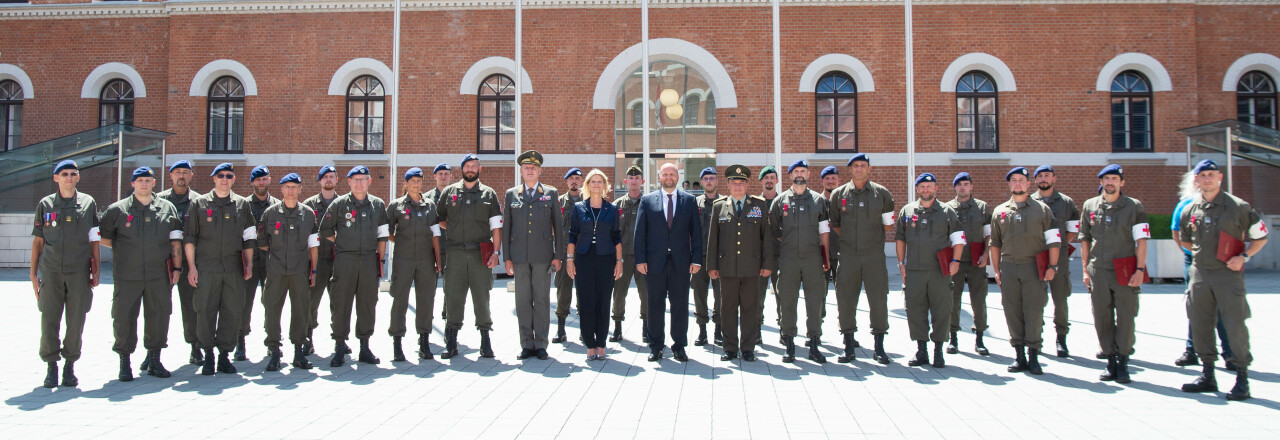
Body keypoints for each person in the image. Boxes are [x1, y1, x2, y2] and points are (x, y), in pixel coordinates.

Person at [1179, 160, 1268, 401]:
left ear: (1220, 177)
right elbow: (1185, 241)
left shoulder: (1238, 206)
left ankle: (1242, 378)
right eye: (1202, 175)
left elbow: (1260, 236)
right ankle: (1207, 374)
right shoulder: (1191, 209)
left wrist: (1244, 257)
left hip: (1228, 275)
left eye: (1211, 175)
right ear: (1196, 180)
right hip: (1200, 274)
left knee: (1234, 325)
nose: (1207, 179)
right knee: (1199, 322)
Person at [101, 166, 183, 381]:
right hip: (128, 275)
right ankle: (124, 362)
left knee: (159, 316)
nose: (144, 184)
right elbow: (104, 237)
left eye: (148, 180)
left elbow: (175, 241)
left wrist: (176, 268)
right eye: (140, 180)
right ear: (132, 184)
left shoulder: (167, 208)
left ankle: (154, 359)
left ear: (154, 183)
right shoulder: (117, 210)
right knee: (123, 318)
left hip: (159, 275)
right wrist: (125, 250)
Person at [31, 160, 101, 388]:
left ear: (78, 177)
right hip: (51, 272)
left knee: (76, 320)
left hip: (79, 272)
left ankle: (70, 365)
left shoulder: (88, 203)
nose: (69, 177)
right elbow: (38, 241)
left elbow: (94, 240)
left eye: (73, 173)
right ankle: (51, 366)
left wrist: (97, 271)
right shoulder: (45, 204)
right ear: (56, 178)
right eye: (64, 174)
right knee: (49, 319)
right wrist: (33, 274)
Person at [1078, 164, 1148, 384]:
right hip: (1098, 270)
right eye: (1106, 179)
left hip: (1125, 269)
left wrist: (1140, 269)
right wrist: (1085, 270)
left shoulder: (1134, 207)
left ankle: (1124, 361)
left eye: (1114, 179)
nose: (1110, 182)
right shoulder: (1090, 205)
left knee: (1126, 316)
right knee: (1102, 316)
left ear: (1122, 183)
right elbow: (1085, 240)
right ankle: (1110, 360)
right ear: (1101, 182)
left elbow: (1142, 241)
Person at [184, 162, 256, 375]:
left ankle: (224, 355)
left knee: (232, 311)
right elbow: (190, 238)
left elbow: (249, 238)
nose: (225, 179)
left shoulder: (242, 205)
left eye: (229, 176)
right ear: (213, 179)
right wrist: (191, 268)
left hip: (233, 268)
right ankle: (208, 355)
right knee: (205, 311)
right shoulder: (199, 204)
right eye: (221, 176)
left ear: (234, 180)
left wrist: (249, 264)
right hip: (206, 268)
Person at [989, 166, 1061, 375]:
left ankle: (1034, 355)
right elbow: (995, 243)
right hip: (1009, 267)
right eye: (1014, 180)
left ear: (1029, 184)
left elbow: (1054, 240)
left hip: (1033, 267)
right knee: (1012, 310)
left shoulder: (1042, 209)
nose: (1018, 183)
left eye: (1022, 180)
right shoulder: (1000, 211)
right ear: (1009, 185)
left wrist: (1053, 266)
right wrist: (997, 271)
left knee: (1034, 311)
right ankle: (1019, 355)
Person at [317, 165, 389, 367]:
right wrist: (343, 244)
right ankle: (339, 347)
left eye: (363, 179)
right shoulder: (339, 204)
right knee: (341, 304)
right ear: (348, 182)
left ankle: (365, 346)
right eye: (355, 179)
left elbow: (382, 236)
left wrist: (380, 261)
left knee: (367, 304)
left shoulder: (378, 205)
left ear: (369, 182)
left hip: (368, 260)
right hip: (345, 260)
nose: (359, 183)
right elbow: (326, 231)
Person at [827, 153, 895, 364]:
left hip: (874, 255)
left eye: (862, 165)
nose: (859, 169)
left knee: (878, 300)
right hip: (847, 255)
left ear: (869, 168)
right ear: (850, 169)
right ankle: (848, 346)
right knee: (846, 299)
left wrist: (869, 240)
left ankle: (879, 347)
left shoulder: (881, 194)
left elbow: (888, 224)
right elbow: (835, 224)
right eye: (855, 166)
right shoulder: (839, 195)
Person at [436, 154, 503, 359]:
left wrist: (496, 253)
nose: (470, 169)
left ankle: (485, 340)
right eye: (467, 166)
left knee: (481, 297)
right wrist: (458, 231)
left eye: (474, 166)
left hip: (479, 253)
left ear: (480, 169)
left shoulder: (488, 194)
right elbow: (441, 220)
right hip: (455, 252)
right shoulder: (449, 192)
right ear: (462, 169)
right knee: (453, 296)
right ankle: (451, 341)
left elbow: (496, 227)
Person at [635, 162, 703, 362]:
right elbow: (640, 233)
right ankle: (655, 346)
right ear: (659, 177)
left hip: (681, 263)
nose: (669, 177)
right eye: (665, 174)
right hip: (654, 263)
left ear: (678, 176)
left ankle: (679, 346)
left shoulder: (689, 201)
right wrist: (640, 259)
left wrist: (696, 260)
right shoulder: (647, 201)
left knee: (680, 305)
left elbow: (696, 234)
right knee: (654, 305)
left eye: (672, 174)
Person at [706, 165, 775, 362]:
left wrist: (767, 264)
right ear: (728, 185)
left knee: (750, 309)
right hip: (726, 268)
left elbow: (766, 238)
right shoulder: (719, 206)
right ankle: (729, 348)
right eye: (734, 183)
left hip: (752, 267)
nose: (737, 186)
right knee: (727, 309)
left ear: (747, 184)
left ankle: (747, 348)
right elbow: (713, 239)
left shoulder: (758, 205)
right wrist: (712, 265)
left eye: (741, 183)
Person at [895, 173, 965, 368]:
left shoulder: (947, 211)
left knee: (941, 310)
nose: (926, 190)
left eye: (929, 186)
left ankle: (938, 351)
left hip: (939, 271)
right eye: (922, 187)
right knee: (915, 311)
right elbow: (900, 239)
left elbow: (958, 238)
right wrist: (901, 263)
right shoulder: (908, 211)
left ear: (936, 189)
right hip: (914, 270)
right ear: (917, 189)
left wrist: (956, 261)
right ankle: (921, 351)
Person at [769, 160, 831, 364]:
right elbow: (775, 230)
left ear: (808, 174)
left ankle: (814, 343)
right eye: (796, 171)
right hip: (788, 259)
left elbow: (824, 231)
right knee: (787, 300)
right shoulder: (779, 201)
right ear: (789, 175)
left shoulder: (819, 201)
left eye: (803, 171)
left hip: (813, 258)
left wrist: (825, 257)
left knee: (815, 300)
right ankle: (789, 344)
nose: (799, 174)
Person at [255, 173, 319, 371]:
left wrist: (314, 271)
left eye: (295, 187)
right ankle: (274, 351)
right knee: (272, 310)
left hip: (300, 271)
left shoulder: (308, 214)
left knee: (301, 310)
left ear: (301, 189)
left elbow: (313, 245)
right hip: (276, 272)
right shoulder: (270, 213)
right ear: (281, 189)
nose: (291, 190)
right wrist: (278, 258)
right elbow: (263, 243)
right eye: (287, 187)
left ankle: (299, 352)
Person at [1171, 171, 1234, 368]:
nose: (1204, 183)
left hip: (1221, 265)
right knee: (1196, 307)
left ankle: (1229, 352)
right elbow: (1177, 234)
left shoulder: (1228, 206)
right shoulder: (1185, 206)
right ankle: (1192, 350)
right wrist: (1195, 253)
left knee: (1221, 308)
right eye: (1200, 179)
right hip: (1195, 264)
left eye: (1210, 177)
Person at [502, 152, 561, 361]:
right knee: (522, 301)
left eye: (533, 168)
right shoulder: (511, 194)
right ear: (521, 171)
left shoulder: (551, 193)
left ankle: (541, 344)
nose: (530, 170)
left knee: (542, 301)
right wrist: (506, 258)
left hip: (543, 256)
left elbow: (558, 227)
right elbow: (506, 227)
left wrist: (558, 256)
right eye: (526, 167)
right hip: (519, 257)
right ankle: (526, 344)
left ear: (540, 171)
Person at [566, 169, 624, 360]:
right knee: (586, 301)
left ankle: (601, 344)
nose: (596, 185)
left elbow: (616, 236)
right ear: (588, 185)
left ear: (605, 185)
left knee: (603, 301)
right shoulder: (579, 208)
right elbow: (572, 234)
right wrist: (569, 259)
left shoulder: (612, 209)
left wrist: (619, 261)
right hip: (584, 258)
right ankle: (590, 345)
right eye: (593, 181)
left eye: (600, 181)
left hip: (606, 258)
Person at [386, 167, 442, 361]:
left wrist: (438, 260)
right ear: (406, 183)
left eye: (419, 181)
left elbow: (435, 234)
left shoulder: (430, 206)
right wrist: (402, 242)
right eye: (412, 181)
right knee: (400, 300)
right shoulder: (396, 205)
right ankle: (397, 343)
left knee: (426, 299)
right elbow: (388, 232)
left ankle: (424, 341)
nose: (416, 184)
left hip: (426, 259)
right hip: (403, 259)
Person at [1031, 165, 1080, 358]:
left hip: (1059, 258)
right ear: (1035, 181)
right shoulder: (1029, 201)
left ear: (1054, 178)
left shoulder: (1067, 203)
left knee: (1060, 299)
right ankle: (1037, 337)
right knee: (1036, 300)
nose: (1044, 179)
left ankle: (1061, 339)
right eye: (1040, 176)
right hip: (1035, 257)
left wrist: (1057, 247)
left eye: (1047, 176)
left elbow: (1073, 229)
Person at [157, 160, 203, 366]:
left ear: (191, 176)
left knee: (191, 306)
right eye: (177, 172)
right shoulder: (158, 200)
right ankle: (153, 351)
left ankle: (195, 346)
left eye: (185, 172)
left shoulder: (200, 202)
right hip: (161, 261)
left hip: (189, 261)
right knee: (157, 308)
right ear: (171, 176)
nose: (181, 176)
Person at [944, 172, 992, 355]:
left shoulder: (982, 208)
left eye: (966, 184)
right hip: (955, 261)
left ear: (971, 186)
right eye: (959, 184)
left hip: (976, 260)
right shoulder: (947, 208)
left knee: (979, 300)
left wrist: (986, 254)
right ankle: (953, 337)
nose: (962, 187)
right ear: (954, 187)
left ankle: (979, 338)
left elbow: (988, 234)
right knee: (953, 300)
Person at [238, 165, 279, 361]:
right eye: (258, 180)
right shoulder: (243, 205)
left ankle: (272, 342)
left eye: (264, 179)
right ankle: (240, 341)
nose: (261, 183)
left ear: (270, 180)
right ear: (252, 182)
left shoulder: (277, 206)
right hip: (249, 259)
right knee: (244, 301)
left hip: (271, 259)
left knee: (271, 302)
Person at [301, 164, 340, 356]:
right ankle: (308, 338)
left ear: (337, 180)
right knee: (311, 301)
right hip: (317, 261)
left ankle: (339, 338)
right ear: (319, 181)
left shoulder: (344, 203)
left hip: (338, 259)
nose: (329, 180)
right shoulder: (309, 205)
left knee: (339, 301)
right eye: (325, 177)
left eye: (332, 176)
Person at [610, 165, 649, 343]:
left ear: (642, 181)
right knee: (619, 293)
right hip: (622, 257)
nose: (633, 181)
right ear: (626, 181)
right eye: (630, 178)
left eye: (637, 178)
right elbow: (611, 233)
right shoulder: (616, 205)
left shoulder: (649, 204)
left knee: (646, 293)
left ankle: (646, 328)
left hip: (643, 257)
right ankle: (617, 327)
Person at [692, 167, 724, 346]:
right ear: (702, 182)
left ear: (717, 181)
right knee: (699, 294)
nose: (709, 181)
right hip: (699, 256)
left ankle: (718, 330)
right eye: (706, 179)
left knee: (720, 296)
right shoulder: (694, 203)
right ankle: (702, 330)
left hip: (720, 258)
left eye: (712, 178)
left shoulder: (725, 202)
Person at [553, 168, 584, 343]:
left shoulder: (588, 201)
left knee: (584, 293)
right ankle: (560, 329)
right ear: (566, 182)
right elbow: (552, 229)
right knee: (563, 292)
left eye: (577, 179)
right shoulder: (558, 203)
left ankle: (583, 330)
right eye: (571, 179)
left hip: (583, 254)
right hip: (564, 255)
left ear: (582, 182)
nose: (574, 181)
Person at [756, 165, 780, 345]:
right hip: (758, 258)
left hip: (781, 257)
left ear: (777, 180)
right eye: (766, 178)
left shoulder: (785, 201)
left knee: (783, 296)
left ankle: (785, 332)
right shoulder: (755, 203)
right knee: (756, 297)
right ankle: (756, 331)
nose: (769, 180)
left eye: (772, 177)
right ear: (761, 181)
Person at [820, 166, 841, 294]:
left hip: (841, 254)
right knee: (819, 296)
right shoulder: (815, 202)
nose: (830, 181)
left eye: (833, 178)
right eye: (827, 178)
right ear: (821, 181)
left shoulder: (845, 202)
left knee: (844, 296)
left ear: (839, 180)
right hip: (821, 256)